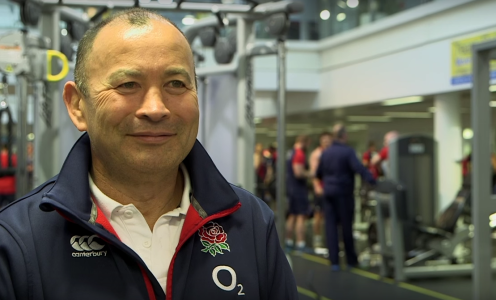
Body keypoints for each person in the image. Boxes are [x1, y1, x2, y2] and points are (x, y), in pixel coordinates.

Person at [0, 8, 298, 300]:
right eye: (128, 85)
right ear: (78, 106)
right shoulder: (17, 242)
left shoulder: (252, 224)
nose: (156, 109)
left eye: (176, 84)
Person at [316, 124, 375, 271]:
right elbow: (358, 168)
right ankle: (350, 260)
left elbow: (318, 172)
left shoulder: (326, 153)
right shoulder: (347, 152)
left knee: (330, 227)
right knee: (346, 226)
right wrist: (373, 181)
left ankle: (334, 261)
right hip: (343, 193)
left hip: (329, 193)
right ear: (344, 136)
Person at [285, 135, 312, 252]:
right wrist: (310, 174)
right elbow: (298, 172)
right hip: (298, 188)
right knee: (301, 215)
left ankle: (288, 241)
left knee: (292, 215)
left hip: (291, 187)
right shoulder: (299, 154)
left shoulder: (290, 153)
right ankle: (301, 243)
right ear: (304, 142)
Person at [309, 131, 332, 248]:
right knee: (318, 215)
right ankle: (317, 238)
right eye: (324, 140)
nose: (326, 142)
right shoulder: (317, 154)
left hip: (331, 188)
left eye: (328, 140)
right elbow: (314, 174)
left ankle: (329, 239)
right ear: (321, 141)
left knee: (330, 215)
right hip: (321, 189)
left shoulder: (332, 153)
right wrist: (318, 187)